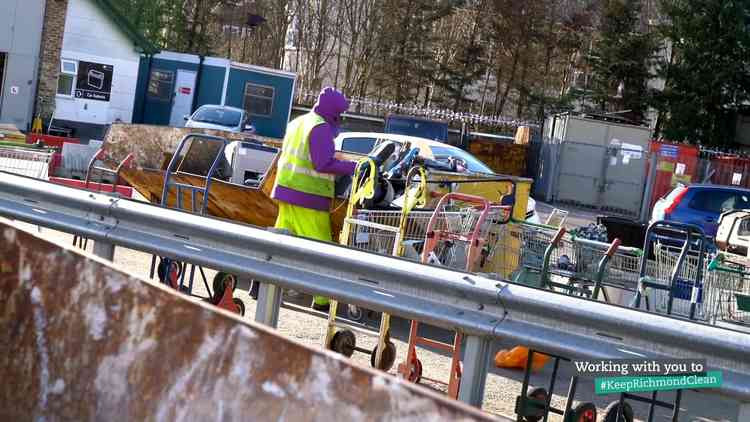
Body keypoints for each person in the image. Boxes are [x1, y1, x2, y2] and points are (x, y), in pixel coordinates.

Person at [272, 87, 357, 312]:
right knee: (321, 250)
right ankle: (322, 301)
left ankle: (262, 285)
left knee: (280, 244)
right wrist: (354, 167)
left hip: (285, 190)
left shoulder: (299, 122)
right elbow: (322, 164)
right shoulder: (320, 128)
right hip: (308, 196)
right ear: (334, 113)